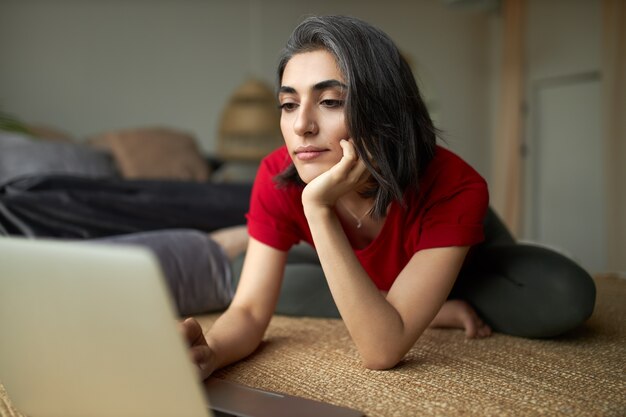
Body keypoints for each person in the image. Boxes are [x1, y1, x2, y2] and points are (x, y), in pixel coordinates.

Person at [182, 15, 596, 380]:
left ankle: (421, 303)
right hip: (365, 271)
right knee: (244, 276)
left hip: (467, 264)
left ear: (383, 109)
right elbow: (251, 312)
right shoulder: (277, 174)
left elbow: (381, 350)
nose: (301, 125)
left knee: (567, 294)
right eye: (289, 104)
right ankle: (398, 304)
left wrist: (318, 208)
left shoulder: (455, 184)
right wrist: (211, 352)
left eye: (329, 101)